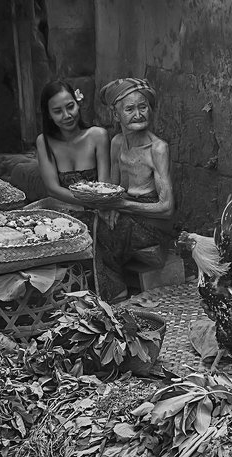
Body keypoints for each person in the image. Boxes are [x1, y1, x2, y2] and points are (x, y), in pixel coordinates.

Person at [95, 77, 177, 301]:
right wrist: (108, 208)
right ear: (116, 115)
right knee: (93, 222)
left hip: (152, 222)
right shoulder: (117, 143)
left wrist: (122, 206)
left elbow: (167, 208)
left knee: (108, 233)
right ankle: (110, 287)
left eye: (143, 107)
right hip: (127, 210)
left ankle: (116, 293)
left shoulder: (158, 149)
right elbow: (113, 188)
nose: (138, 114)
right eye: (129, 109)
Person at [35, 80, 111, 207]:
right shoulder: (44, 141)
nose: (67, 115)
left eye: (70, 107)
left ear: (78, 104)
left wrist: (99, 205)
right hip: (61, 213)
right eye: (57, 111)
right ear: (49, 114)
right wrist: (92, 203)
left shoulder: (98, 136)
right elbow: (53, 189)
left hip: (99, 209)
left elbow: (105, 184)